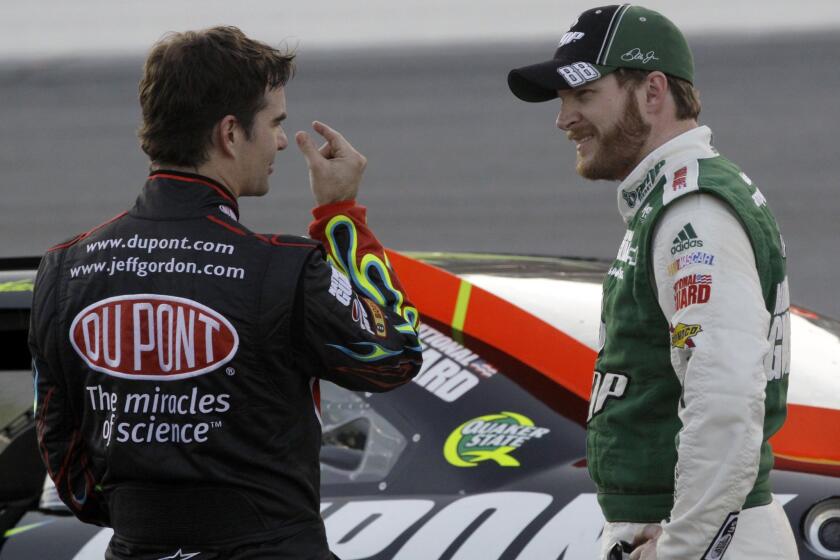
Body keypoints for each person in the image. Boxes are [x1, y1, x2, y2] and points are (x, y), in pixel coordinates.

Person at [28, 26, 422, 560]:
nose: (282, 141)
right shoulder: (283, 269)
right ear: (231, 133)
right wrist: (341, 216)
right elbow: (393, 355)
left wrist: (150, 521)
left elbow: (62, 452)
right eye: (276, 123)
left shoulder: (63, 268)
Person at [508, 5, 795, 559]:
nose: (563, 119)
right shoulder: (677, 200)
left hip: (702, 535)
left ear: (653, 91)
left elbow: (726, 397)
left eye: (583, 95)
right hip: (695, 528)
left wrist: (683, 545)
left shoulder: (694, 212)